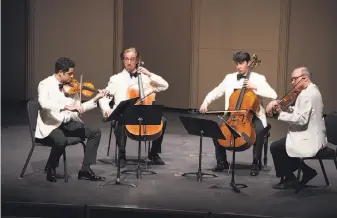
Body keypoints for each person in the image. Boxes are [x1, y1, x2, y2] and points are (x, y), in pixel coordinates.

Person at [199, 51, 277, 176]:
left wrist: (255, 87)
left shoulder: (258, 78)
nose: (238, 66)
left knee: (259, 131)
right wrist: (205, 102)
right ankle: (221, 161)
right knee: (217, 130)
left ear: (249, 63)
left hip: (252, 114)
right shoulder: (229, 78)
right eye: (236, 63)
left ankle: (256, 163)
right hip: (232, 113)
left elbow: (273, 94)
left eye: (241, 63)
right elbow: (217, 91)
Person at [36, 57, 107, 182]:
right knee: (61, 140)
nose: (72, 77)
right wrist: (64, 106)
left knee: (95, 132)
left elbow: (80, 108)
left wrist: (96, 98)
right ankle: (51, 168)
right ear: (60, 72)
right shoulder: (45, 84)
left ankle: (85, 170)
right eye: (69, 74)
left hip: (68, 123)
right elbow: (43, 103)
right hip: (51, 124)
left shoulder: (72, 87)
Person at [99, 47, 169, 168]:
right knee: (119, 123)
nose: (129, 62)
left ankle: (154, 153)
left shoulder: (146, 78)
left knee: (162, 120)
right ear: (123, 61)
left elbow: (164, 86)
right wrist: (106, 109)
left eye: (132, 59)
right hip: (125, 113)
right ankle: (121, 154)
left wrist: (149, 74)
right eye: (126, 59)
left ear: (137, 60)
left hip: (142, 112)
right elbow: (104, 97)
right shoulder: (116, 79)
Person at [266, 67, 327, 189]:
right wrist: (285, 108)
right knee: (281, 145)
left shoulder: (306, 94)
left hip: (310, 138)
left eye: (295, 79)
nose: (292, 83)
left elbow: (301, 119)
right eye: (291, 80)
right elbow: (302, 111)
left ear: (304, 78)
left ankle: (290, 178)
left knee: (276, 147)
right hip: (315, 135)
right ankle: (305, 171)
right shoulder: (312, 90)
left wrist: (279, 114)